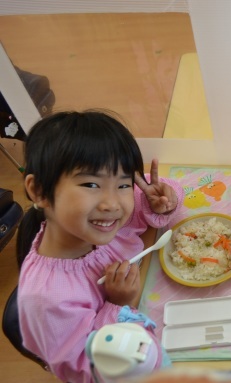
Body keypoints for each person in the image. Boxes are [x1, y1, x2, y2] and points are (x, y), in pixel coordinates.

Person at [15, 110, 185, 382]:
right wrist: (118, 306)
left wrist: (159, 201)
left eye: (123, 184)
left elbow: (140, 208)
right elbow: (90, 373)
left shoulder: (96, 226)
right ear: (39, 191)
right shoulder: (46, 301)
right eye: (91, 184)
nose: (113, 204)